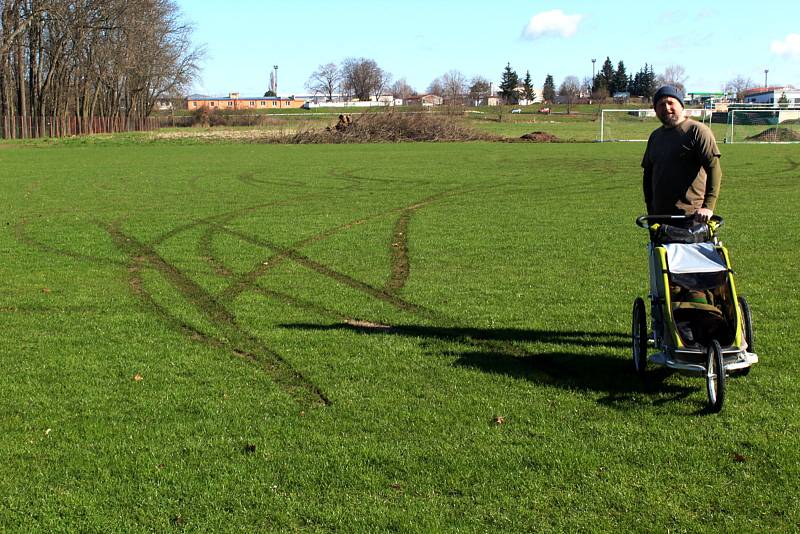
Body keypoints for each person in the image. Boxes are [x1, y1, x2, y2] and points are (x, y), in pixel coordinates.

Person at [641, 85, 722, 223]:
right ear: (655, 110)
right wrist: (650, 208)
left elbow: (714, 168)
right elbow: (648, 174)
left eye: (671, 103)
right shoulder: (655, 136)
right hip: (659, 217)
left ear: (681, 106)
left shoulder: (698, 131)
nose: (666, 108)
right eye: (661, 105)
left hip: (692, 216)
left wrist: (708, 207)